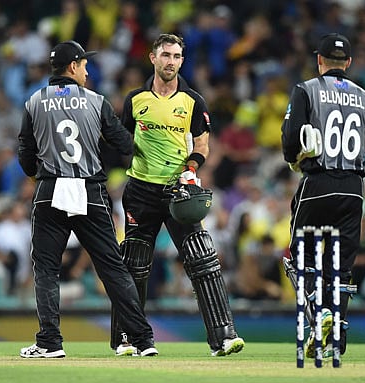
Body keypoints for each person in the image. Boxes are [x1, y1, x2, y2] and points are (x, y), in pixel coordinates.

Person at [17, 40, 157, 358]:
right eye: (83, 64)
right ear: (73, 67)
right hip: (90, 189)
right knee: (112, 268)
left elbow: (25, 153)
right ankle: (142, 340)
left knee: (47, 270)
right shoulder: (95, 101)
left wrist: (36, 171)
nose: (87, 69)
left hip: (50, 190)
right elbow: (124, 144)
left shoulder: (34, 101)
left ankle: (50, 343)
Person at [110, 33, 244, 357]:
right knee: (134, 264)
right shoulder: (135, 100)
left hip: (177, 190)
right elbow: (121, 140)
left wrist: (191, 169)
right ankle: (125, 339)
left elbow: (202, 144)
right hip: (140, 189)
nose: (171, 61)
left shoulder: (193, 101)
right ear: (153, 58)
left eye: (177, 56)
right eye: (165, 55)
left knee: (203, 258)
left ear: (182, 60)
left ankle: (224, 337)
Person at [281, 33, 365, 359]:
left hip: (317, 183)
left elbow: (291, 140)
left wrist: (294, 157)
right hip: (354, 191)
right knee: (341, 268)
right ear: (349, 64)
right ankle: (338, 342)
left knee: (300, 259)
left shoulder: (306, 90)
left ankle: (320, 314)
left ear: (319, 61)